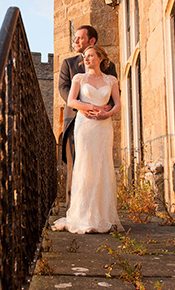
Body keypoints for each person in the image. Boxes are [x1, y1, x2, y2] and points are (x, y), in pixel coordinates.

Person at [53, 45, 123, 233]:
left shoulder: (111, 80)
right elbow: (72, 101)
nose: (86, 58)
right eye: (85, 56)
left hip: (104, 126)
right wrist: (90, 106)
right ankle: (84, 217)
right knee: (85, 165)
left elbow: (117, 104)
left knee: (103, 165)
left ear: (101, 58)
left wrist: (107, 115)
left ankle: (102, 216)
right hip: (85, 125)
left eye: (91, 55)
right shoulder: (79, 78)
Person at [58, 25, 117, 206]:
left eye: (79, 38)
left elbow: (116, 93)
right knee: (77, 165)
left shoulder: (109, 67)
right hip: (76, 120)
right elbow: (63, 89)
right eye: (74, 37)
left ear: (92, 41)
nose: (75, 41)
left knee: (100, 163)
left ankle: (100, 208)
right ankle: (73, 208)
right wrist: (83, 107)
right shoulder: (69, 64)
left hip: (101, 121)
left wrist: (106, 109)